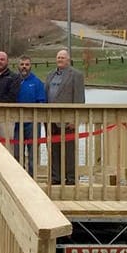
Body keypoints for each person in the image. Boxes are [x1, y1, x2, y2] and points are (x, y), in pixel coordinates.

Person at [45, 49, 85, 185]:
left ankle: (72, 179)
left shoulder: (76, 75)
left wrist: (76, 119)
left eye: (62, 57)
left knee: (69, 151)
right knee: (54, 150)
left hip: (68, 120)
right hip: (51, 119)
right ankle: (56, 178)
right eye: (58, 57)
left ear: (68, 60)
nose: (60, 60)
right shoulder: (50, 75)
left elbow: (80, 99)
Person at [13, 55, 46, 177]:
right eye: (22, 64)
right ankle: (18, 177)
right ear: (18, 66)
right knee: (16, 152)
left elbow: (42, 101)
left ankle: (32, 178)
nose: (24, 67)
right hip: (16, 122)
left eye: (26, 64)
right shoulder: (14, 80)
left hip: (32, 122)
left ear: (30, 66)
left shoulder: (37, 82)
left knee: (32, 153)